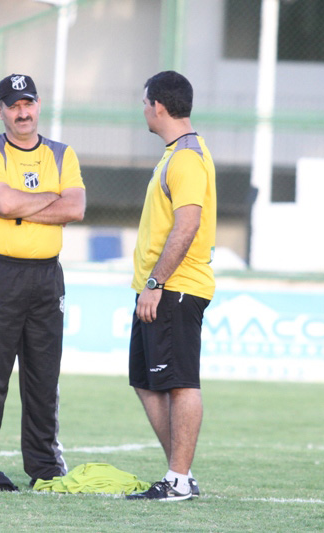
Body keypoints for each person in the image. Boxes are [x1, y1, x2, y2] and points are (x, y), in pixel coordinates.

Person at [0, 73, 86, 486]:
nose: (22, 112)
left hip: (48, 276)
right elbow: (4, 199)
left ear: (38, 104)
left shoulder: (63, 154)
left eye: (28, 103)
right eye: (13, 105)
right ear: (1, 111)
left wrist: (18, 208)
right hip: (0, 271)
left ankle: (45, 468)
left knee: (44, 375)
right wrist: (51, 198)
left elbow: (76, 208)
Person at [125, 71, 217, 501]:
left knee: (181, 382)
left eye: (144, 102)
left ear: (159, 106)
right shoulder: (175, 154)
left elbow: (188, 223)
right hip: (158, 288)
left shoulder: (186, 158)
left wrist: (157, 282)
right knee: (145, 380)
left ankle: (178, 479)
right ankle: (180, 472)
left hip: (175, 288)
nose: (143, 109)